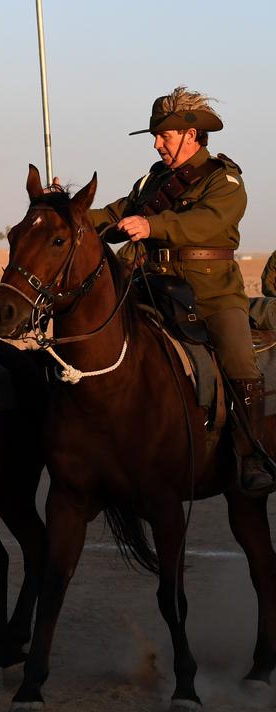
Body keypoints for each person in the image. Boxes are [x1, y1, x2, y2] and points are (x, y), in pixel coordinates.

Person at [84, 86, 272, 497]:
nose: (156, 143)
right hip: (150, 287)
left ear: (192, 135)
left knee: (238, 354)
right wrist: (68, 212)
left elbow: (206, 223)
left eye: (164, 136)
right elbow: (116, 215)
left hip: (210, 294)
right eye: (156, 136)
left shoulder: (225, 181)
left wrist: (154, 226)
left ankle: (251, 454)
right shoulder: (153, 181)